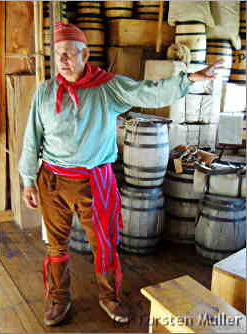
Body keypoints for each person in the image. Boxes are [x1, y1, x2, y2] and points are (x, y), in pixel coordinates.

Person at [19, 21, 223, 326]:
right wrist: (27, 181)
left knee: (104, 243)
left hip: (93, 182)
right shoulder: (45, 92)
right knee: (56, 246)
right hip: (52, 181)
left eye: (70, 53)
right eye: (58, 53)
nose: (63, 60)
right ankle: (59, 300)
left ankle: (109, 297)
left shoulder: (107, 88)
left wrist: (190, 78)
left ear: (85, 55)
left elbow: (148, 93)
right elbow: (31, 139)